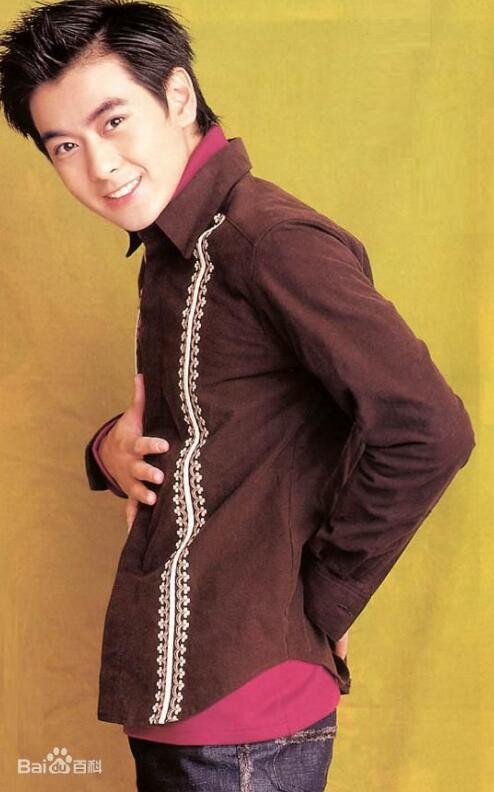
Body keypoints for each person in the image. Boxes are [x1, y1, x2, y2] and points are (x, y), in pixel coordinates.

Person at [0, 1, 476, 790]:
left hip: (246, 721)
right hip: (182, 700)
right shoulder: (177, 248)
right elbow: (223, 425)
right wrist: (106, 448)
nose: (100, 166)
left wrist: (324, 601)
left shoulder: (265, 240)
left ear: (177, 96)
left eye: (113, 121)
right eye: (66, 147)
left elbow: (427, 428)